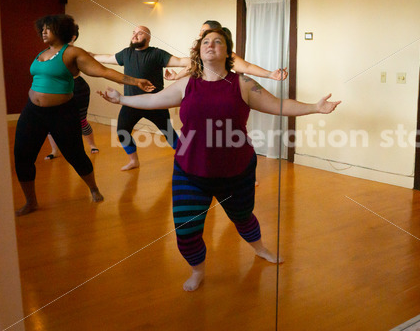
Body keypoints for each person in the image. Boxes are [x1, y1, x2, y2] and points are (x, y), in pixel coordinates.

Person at [98, 28, 340, 291]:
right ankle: (197, 271)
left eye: (218, 42)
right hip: (190, 169)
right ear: (199, 50)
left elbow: (279, 105)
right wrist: (121, 98)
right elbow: (155, 100)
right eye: (205, 41)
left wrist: (315, 107)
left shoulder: (243, 84)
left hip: (236, 170)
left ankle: (260, 248)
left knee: (243, 218)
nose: (210, 45)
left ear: (227, 51)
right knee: (186, 233)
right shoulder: (186, 84)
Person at [14, 14, 155, 216]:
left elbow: (103, 71)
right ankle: (31, 202)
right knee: (22, 155)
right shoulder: (43, 53)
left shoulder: (72, 53)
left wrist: (135, 81)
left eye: (48, 28)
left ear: (60, 30)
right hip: (32, 111)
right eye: (42, 28)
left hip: (62, 112)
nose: (43, 32)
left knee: (76, 155)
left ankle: (94, 188)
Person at [91, 26, 190, 170]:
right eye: (133, 32)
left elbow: (182, 61)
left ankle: (186, 159)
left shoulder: (157, 54)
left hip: (155, 103)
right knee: (122, 131)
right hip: (131, 103)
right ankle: (134, 161)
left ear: (148, 38)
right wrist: (85, 54)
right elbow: (104, 58)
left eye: (140, 33)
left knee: (168, 132)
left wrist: (188, 68)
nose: (135, 35)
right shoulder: (126, 53)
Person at [164, 20, 288, 81]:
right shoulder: (201, 54)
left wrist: (270, 74)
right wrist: (176, 77)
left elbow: (247, 67)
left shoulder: (225, 54)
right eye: (201, 31)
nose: (199, 34)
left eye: (203, 31)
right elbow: (191, 65)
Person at [45, 24, 98, 159]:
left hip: (78, 88)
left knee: (81, 121)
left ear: (73, 37)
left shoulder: (77, 52)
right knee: (51, 122)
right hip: (56, 88)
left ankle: (92, 145)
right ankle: (55, 151)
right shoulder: (50, 51)